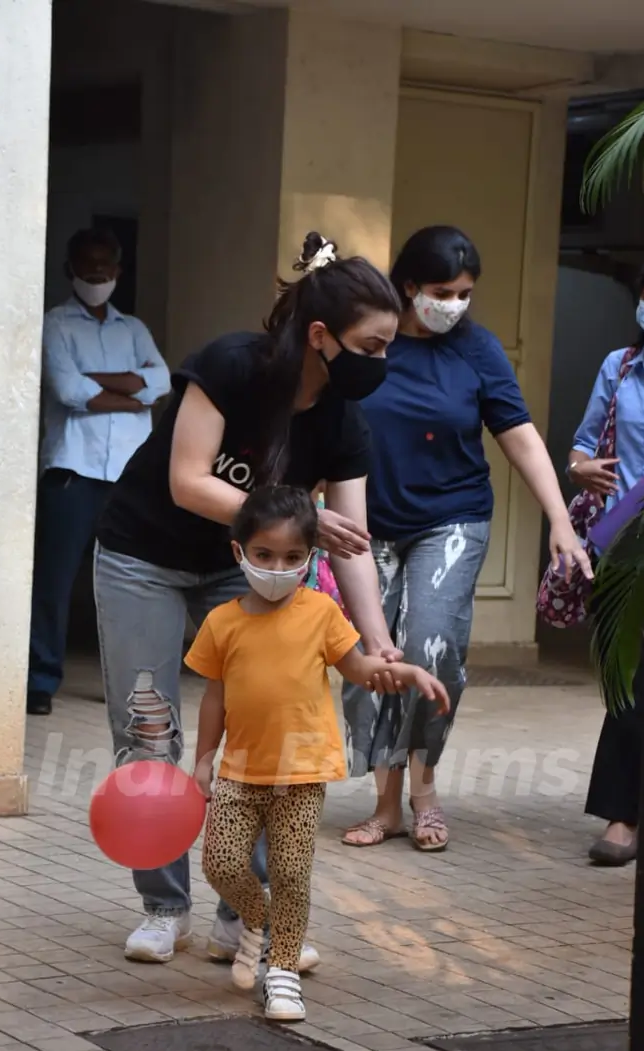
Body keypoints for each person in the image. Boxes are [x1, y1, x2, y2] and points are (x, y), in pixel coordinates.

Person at [93, 232, 404, 966]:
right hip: (145, 554)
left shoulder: (343, 423)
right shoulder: (232, 365)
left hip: (245, 567)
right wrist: (297, 516)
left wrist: (377, 637)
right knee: (150, 732)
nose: (383, 362)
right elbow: (188, 481)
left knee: (263, 732)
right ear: (322, 336)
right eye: (374, 345)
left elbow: (349, 540)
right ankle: (165, 906)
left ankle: (246, 913)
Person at [342, 225, 592, 851]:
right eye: (442, 291)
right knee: (375, 657)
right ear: (408, 287)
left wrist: (560, 519)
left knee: (432, 645)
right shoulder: (372, 341)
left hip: (450, 519)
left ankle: (425, 791)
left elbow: (519, 434)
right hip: (364, 522)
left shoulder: (477, 350)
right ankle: (385, 803)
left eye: (464, 293)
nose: (454, 303)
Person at [190, 486, 450, 1021]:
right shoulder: (222, 622)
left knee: (290, 872)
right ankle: (257, 920)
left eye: (292, 557)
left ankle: (282, 971)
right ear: (239, 552)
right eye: (264, 555)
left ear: (310, 558)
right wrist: (201, 760)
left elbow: (358, 669)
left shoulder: (321, 613)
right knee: (220, 865)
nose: (277, 567)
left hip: (303, 773)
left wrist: (402, 671)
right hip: (239, 774)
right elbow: (213, 697)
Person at [27, 227, 170, 716]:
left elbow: (162, 382)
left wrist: (100, 386)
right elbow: (68, 392)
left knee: (130, 583)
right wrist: (131, 392)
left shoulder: (132, 328)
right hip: (73, 472)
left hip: (128, 475)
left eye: (105, 265)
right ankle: (40, 680)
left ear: (118, 271)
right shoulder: (55, 324)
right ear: (70, 269)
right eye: (87, 265)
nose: (97, 274)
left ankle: (129, 684)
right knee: (56, 580)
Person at [569, 246, 644, 866]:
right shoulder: (621, 364)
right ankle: (622, 815)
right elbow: (584, 443)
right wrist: (582, 471)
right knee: (627, 676)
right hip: (626, 546)